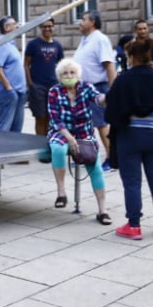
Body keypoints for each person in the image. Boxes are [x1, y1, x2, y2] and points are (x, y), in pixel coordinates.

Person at [105, 40, 153, 240]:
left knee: (132, 182)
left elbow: (112, 105)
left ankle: (134, 225)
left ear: (131, 57)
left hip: (130, 136)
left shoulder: (124, 79)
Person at [46, 58, 110, 224]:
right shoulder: (54, 91)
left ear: (78, 74)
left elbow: (98, 98)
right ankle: (61, 192)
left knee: (95, 165)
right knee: (58, 149)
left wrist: (106, 98)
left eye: (72, 72)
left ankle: (103, 210)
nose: (69, 75)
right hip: (61, 132)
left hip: (84, 132)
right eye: (65, 73)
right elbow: (56, 119)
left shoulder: (86, 87)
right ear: (59, 76)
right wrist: (69, 137)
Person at [73, 10, 117, 165]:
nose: (80, 22)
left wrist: (113, 91)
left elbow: (109, 65)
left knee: (101, 124)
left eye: (83, 19)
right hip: (82, 89)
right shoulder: (85, 39)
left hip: (96, 88)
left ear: (92, 22)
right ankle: (86, 155)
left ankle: (111, 158)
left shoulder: (100, 40)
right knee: (84, 124)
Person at [24, 18, 65, 149]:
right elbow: (26, 64)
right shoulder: (33, 44)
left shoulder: (57, 46)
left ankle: (49, 145)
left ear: (54, 27)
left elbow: (61, 65)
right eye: (44, 26)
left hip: (53, 87)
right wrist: (30, 83)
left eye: (50, 26)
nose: (47, 29)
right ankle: (40, 146)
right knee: (40, 117)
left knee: (51, 117)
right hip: (38, 86)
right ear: (40, 28)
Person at [0, 21, 27, 133]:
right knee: (5, 127)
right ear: (7, 28)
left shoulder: (10, 44)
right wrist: (8, 87)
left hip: (18, 91)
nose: (17, 26)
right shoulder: (1, 44)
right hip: (9, 93)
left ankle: (13, 149)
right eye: (14, 24)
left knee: (16, 128)